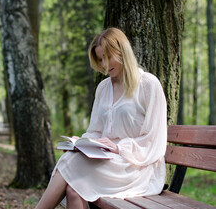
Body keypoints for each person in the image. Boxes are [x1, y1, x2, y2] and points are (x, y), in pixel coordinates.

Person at [36, 27, 167, 209]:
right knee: (74, 187)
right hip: (105, 162)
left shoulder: (148, 85)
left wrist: (119, 148)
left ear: (122, 52)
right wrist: (81, 144)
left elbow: (154, 139)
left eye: (108, 57)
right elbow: (95, 131)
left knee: (70, 165)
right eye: (100, 59)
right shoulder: (104, 88)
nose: (104, 65)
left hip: (136, 167)